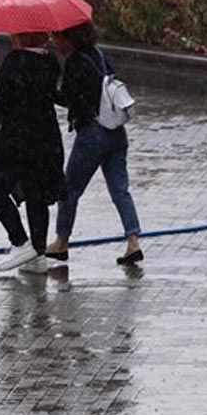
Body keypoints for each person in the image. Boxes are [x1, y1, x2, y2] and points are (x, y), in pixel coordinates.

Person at [45, 22, 143, 266]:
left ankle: (61, 242)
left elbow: (70, 99)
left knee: (69, 190)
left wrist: (47, 91)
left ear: (68, 39)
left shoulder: (75, 62)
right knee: (120, 190)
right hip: (117, 133)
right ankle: (133, 242)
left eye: (56, 36)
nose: (53, 42)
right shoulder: (99, 56)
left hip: (92, 134)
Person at [0, 32, 65, 274]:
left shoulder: (15, 60)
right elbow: (50, 94)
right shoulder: (50, 60)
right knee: (36, 193)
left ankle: (20, 241)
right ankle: (38, 253)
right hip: (46, 136)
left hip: (17, 138)